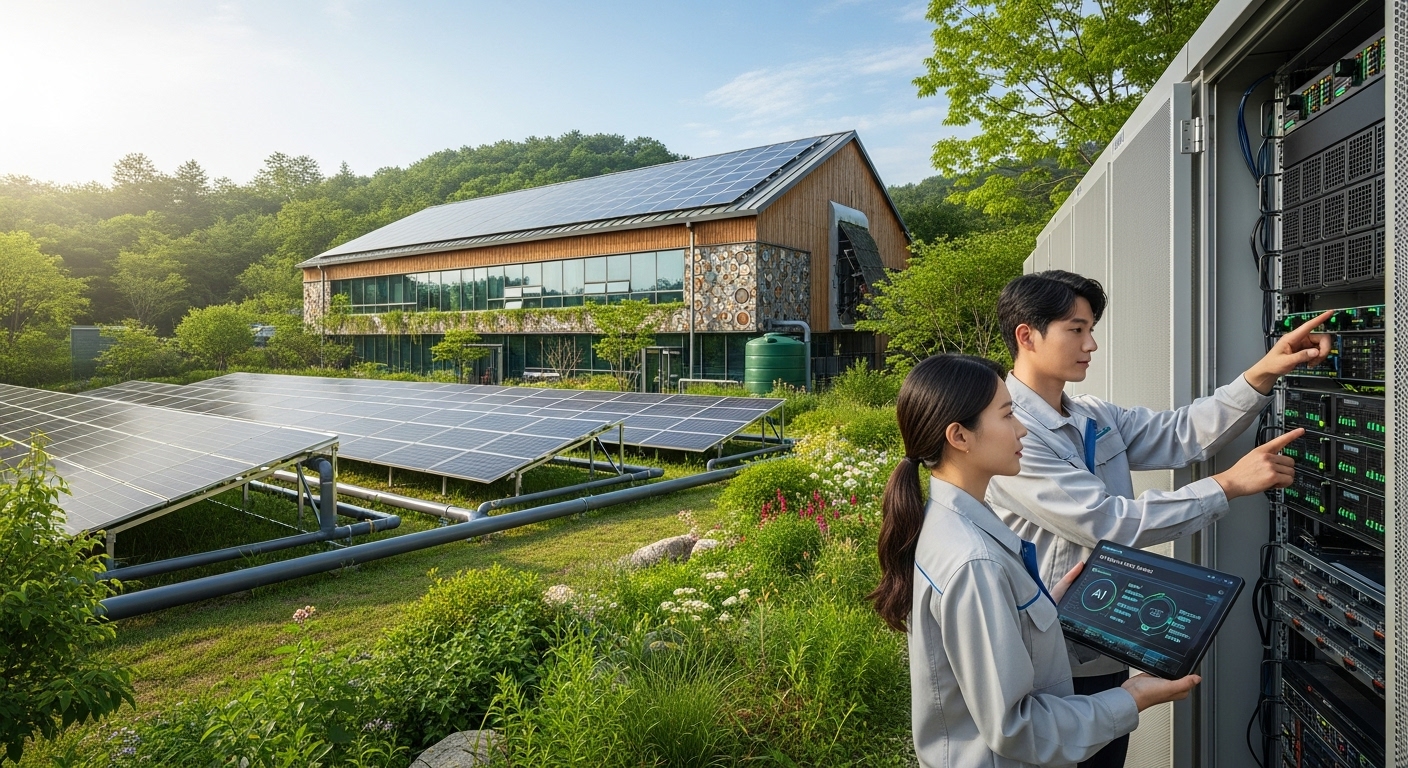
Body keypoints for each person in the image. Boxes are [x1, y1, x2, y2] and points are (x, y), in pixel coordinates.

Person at [985, 270, 1330, 768]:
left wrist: (1263, 373)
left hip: (1105, 640)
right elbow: (1106, 523)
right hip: (1052, 660)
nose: (1092, 344)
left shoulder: (1092, 416)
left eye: (1091, 328)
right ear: (1027, 335)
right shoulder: (1014, 432)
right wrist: (1228, 484)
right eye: (1076, 330)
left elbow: (1181, 433)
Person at [870, 353, 1201, 768]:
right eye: (1007, 415)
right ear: (960, 436)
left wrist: (1041, 612)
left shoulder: (950, 523)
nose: (1022, 428)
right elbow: (1017, 728)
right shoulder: (973, 562)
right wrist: (1131, 698)